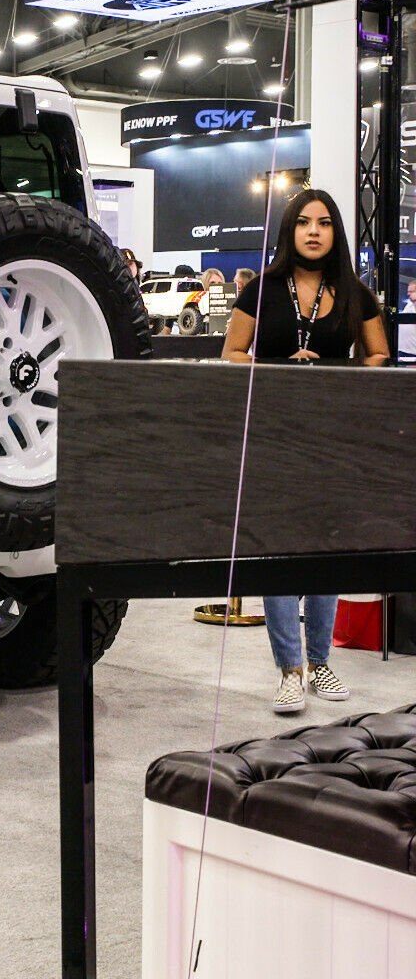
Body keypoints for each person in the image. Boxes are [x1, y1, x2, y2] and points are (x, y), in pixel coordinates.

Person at [221, 187, 388, 714]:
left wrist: (336, 372)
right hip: (272, 434)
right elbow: (231, 351)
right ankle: (289, 670)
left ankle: (320, 663)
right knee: (277, 551)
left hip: (331, 438)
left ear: (336, 233)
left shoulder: (355, 293)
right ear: (289, 231)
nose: (313, 231)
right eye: (303, 222)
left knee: (325, 551)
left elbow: (380, 353)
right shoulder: (262, 291)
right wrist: (278, 371)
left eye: (324, 223)